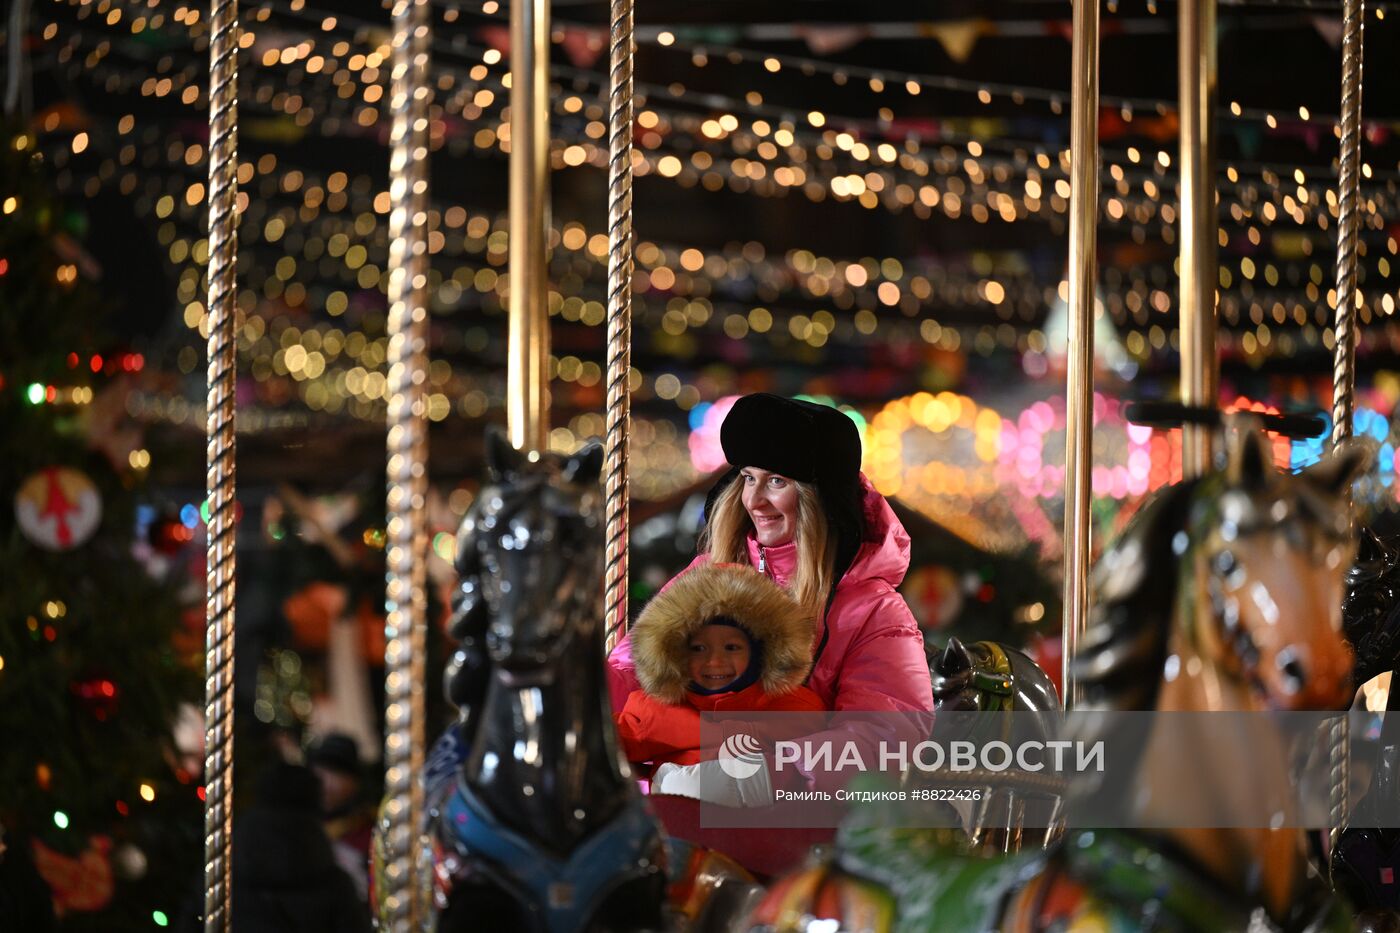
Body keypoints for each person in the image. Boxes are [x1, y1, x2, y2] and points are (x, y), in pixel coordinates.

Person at [608, 393, 933, 797]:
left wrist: (763, 775)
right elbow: (630, 670)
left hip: (791, 817)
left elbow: (887, 737)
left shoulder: (874, 611)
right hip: (672, 792)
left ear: (821, 498)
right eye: (747, 477)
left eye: (776, 481)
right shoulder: (710, 572)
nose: (755, 500)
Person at [614, 562, 826, 773]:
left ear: (761, 652)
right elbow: (602, 747)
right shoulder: (654, 712)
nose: (714, 661)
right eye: (698, 648)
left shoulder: (797, 710)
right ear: (677, 654)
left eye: (732, 647)